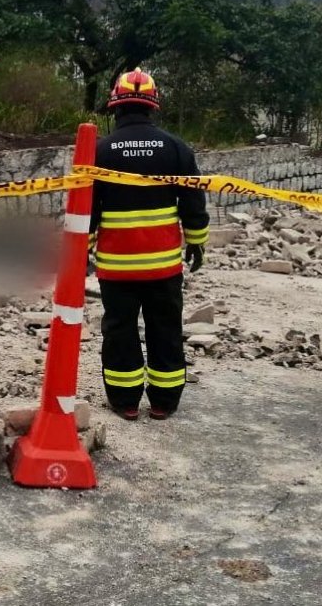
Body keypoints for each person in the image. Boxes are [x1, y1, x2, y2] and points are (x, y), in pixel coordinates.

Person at [89, 69, 210, 421]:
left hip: (117, 266)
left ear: (116, 109)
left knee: (120, 330)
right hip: (163, 265)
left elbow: (88, 208)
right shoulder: (176, 148)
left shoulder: (99, 151)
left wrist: (83, 249)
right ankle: (164, 402)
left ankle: (125, 401)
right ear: (152, 107)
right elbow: (192, 203)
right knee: (165, 329)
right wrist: (197, 242)